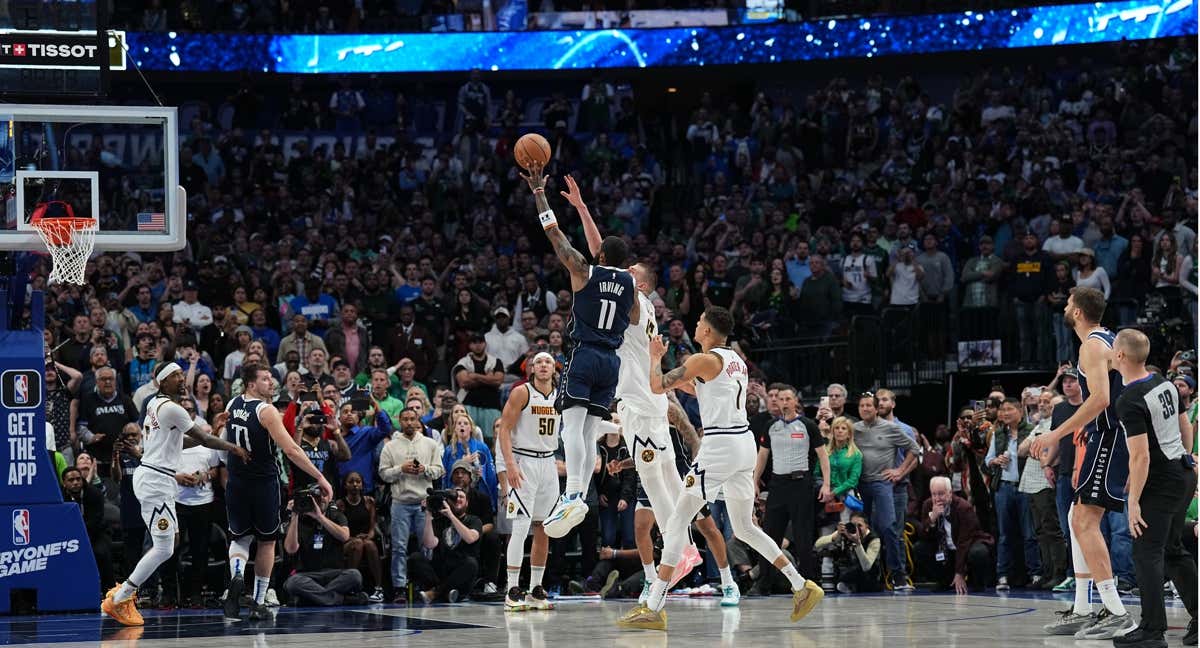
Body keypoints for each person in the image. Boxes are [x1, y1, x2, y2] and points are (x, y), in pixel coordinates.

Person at [621, 307, 822, 631]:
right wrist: (670, 372)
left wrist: (655, 356)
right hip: (742, 445)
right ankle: (801, 585)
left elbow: (658, 386)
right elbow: (697, 386)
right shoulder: (733, 361)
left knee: (676, 521)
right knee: (744, 528)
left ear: (708, 331)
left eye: (699, 321)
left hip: (720, 446)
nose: (696, 324)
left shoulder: (705, 359)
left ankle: (654, 605)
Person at [565, 185, 720, 599]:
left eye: (628, 273)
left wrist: (586, 218)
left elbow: (605, 259)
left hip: (639, 402)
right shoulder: (636, 302)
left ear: (641, 283)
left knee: (653, 480)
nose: (620, 274)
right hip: (647, 401)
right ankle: (684, 545)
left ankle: (681, 551)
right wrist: (582, 207)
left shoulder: (635, 301)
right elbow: (605, 259)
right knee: (669, 479)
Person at [519, 161, 637, 540]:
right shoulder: (632, 286)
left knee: (570, 427)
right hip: (611, 362)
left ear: (600, 256)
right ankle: (578, 497)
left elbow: (554, 235)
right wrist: (584, 209)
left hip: (585, 355)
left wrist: (540, 195)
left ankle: (572, 493)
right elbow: (629, 313)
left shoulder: (584, 270)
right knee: (588, 434)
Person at [100, 362, 249, 627]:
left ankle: (122, 594)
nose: (182, 379)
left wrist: (210, 434)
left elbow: (181, 441)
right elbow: (202, 441)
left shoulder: (154, 405)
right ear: (162, 382)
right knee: (164, 548)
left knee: (168, 543)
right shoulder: (171, 408)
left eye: (182, 374)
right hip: (156, 481)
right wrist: (232, 447)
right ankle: (121, 597)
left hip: (156, 478)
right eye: (176, 376)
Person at [1031, 287, 1136, 639]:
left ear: (1077, 312)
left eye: (1068, 303)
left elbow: (1102, 399)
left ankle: (1116, 611)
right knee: (1078, 518)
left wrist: (1054, 434)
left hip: (1110, 435)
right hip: (1105, 436)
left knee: (1086, 521)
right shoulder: (1103, 338)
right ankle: (1082, 607)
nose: (1064, 306)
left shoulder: (1091, 344)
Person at [223, 363, 333, 621]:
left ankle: (237, 574)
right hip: (263, 483)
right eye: (265, 378)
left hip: (237, 481)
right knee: (267, 541)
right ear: (251, 384)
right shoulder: (267, 411)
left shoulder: (231, 405)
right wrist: (320, 477)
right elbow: (292, 451)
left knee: (239, 538)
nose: (271, 382)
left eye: (271, 377)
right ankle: (259, 602)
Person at [1112, 329, 1198, 648]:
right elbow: (1184, 423)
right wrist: (1186, 457)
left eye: (1113, 349)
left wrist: (1133, 501)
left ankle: (1151, 630)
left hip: (1161, 479)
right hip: (1183, 472)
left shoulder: (1129, 400)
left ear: (1120, 355)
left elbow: (1141, 455)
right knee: (1173, 549)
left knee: (1146, 552)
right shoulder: (1163, 382)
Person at [496, 352, 560, 611]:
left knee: (544, 527)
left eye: (548, 362)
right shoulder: (522, 392)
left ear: (554, 368)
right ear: (531, 369)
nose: (543, 365)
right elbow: (504, 429)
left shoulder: (561, 394)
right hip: (524, 462)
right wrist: (510, 464)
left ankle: (536, 587)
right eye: (539, 362)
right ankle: (512, 588)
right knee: (521, 527)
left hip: (549, 462)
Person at [753, 385, 832, 584]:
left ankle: (808, 581)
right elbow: (762, 456)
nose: (785, 403)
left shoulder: (807, 425)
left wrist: (826, 484)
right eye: (781, 399)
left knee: (803, 534)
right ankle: (764, 581)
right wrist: (754, 481)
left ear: (795, 401)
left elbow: (823, 456)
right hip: (777, 485)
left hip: (801, 484)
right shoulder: (771, 426)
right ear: (777, 402)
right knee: (770, 535)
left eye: (789, 399)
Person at [853, 393, 921, 591]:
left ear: (876, 409)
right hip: (859, 484)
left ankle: (898, 575)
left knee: (889, 527)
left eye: (868, 406)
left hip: (882, 483)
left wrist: (900, 470)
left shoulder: (891, 428)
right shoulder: (854, 429)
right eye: (862, 406)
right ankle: (867, 577)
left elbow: (914, 448)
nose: (865, 409)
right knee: (861, 530)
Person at [378, 407, 444, 603]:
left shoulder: (429, 444)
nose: (408, 423)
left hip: (423, 502)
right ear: (399, 421)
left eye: (412, 419)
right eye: (404, 419)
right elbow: (383, 473)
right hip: (400, 502)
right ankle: (399, 587)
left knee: (427, 546)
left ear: (418, 421)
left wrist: (425, 470)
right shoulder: (390, 446)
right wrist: (400, 469)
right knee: (399, 546)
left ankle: (426, 585)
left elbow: (440, 470)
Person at [984, 397, 1041, 590]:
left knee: (1029, 533)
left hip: (1025, 486)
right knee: (1004, 535)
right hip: (1004, 487)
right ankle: (1003, 575)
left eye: (1009, 409)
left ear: (1019, 410)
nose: (1005, 413)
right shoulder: (999, 434)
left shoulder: (1031, 430)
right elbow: (987, 460)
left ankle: (1035, 573)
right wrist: (995, 461)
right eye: (1003, 410)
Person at [282, 487, 369, 607]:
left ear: (330, 498)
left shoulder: (336, 515)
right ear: (311, 498)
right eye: (318, 495)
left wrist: (320, 517)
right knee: (292, 582)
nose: (322, 498)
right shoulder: (300, 519)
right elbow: (290, 549)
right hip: (308, 575)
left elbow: (345, 536)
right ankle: (344, 600)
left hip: (334, 574)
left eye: (325, 495)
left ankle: (310, 599)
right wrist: (295, 515)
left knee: (355, 575)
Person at [1017, 389, 1068, 591]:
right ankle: (1047, 573)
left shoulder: (1056, 425)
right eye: (1041, 401)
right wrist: (1036, 448)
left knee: (1052, 529)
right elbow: (1021, 450)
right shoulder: (1039, 424)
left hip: (1046, 482)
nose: (1042, 405)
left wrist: (1037, 449)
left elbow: (1047, 452)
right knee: (1040, 531)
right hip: (1031, 482)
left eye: (1047, 401)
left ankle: (1058, 572)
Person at [914, 476, 995, 594]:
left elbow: (964, 543)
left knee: (978, 553)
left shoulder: (963, 507)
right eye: (934, 494)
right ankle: (944, 581)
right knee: (920, 548)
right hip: (946, 549)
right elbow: (923, 535)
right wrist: (932, 519)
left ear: (950, 493)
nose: (937, 498)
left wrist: (959, 573)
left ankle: (977, 583)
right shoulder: (928, 505)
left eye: (941, 494)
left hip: (966, 547)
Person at [409, 488, 483, 603]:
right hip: (441, 568)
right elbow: (430, 544)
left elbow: (470, 538)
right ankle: (446, 592)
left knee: (471, 564)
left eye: (461, 497)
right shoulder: (440, 520)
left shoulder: (474, 520)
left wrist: (451, 516)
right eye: (454, 497)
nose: (457, 499)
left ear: (467, 503)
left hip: (460, 571)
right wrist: (428, 515)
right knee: (415, 557)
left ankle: (434, 593)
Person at [61, 466, 115, 593]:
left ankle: (109, 590)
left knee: (101, 552)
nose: (75, 482)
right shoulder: (60, 496)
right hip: (69, 535)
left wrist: (82, 538)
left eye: (78, 479)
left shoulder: (94, 493)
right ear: (64, 483)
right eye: (71, 480)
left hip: (97, 533)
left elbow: (96, 520)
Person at [336, 471, 385, 603]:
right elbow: (339, 530)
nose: (355, 485)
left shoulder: (369, 502)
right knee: (357, 544)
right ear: (345, 485)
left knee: (368, 544)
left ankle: (379, 588)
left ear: (362, 485)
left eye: (358, 482)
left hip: (365, 539)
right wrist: (352, 538)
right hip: (346, 541)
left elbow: (373, 528)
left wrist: (368, 536)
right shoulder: (340, 504)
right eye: (351, 482)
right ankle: (351, 587)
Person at [813, 512, 881, 594]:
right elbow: (817, 544)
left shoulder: (874, 539)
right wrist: (836, 536)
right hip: (847, 572)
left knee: (862, 569)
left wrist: (857, 543)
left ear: (867, 526)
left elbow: (866, 566)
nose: (856, 529)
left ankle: (848, 586)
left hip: (868, 580)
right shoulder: (846, 532)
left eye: (859, 525)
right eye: (853, 525)